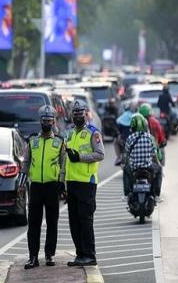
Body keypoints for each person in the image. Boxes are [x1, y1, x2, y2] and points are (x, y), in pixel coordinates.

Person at [23, 105, 66, 270]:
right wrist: (21, 183)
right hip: (35, 187)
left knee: (52, 222)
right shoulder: (32, 140)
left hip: (52, 186)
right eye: (44, 120)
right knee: (33, 223)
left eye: (49, 120)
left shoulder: (60, 141)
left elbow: (63, 164)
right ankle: (33, 257)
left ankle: (49, 255)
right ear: (40, 121)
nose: (46, 123)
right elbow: (26, 162)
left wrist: (62, 184)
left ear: (53, 121)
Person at [65, 99, 105, 267]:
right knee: (74, 221)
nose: (77, 116)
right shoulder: (70, 133)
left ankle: (89, 255)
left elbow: (100, 154)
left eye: (80, 113)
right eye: (75, 114)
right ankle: (80, 254)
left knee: (85, 221)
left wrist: (80, 157)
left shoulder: (93, 133)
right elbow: (65, 159)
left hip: (86, 183)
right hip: (71, 182)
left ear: (85, 114)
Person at [123, 113, 160, 200]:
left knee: (125, 170)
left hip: (134, 168)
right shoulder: (150, 137)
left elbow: (126, 154)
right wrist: (158, 164)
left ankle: (127, 194)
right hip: (148, 167)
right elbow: (154, 154)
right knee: (159, 171)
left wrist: (125, 163)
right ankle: (157, 194)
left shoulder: (130, 138)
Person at [138, 104, 166, 202]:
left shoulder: (137, 123)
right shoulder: (155, 122)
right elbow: (162, 140)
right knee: (159, 170)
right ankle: (157, 194)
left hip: (137, 158)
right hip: (154, 155)